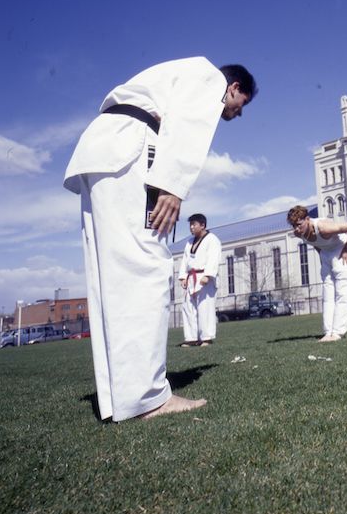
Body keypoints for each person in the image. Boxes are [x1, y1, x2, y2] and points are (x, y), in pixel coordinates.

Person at [64, 58, 257, 421]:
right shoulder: (208, 76)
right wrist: (171, 185)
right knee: (146, 265)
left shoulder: (173, 76)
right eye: (240, 104)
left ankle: (121, 397)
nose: (236, 112)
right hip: (129, 148)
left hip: (103, 148)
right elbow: (189, 119)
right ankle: (147, 399)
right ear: (233, 88)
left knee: (115, 273)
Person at [287, 205, 347, 341]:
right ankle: (328, 331)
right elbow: (314, 243)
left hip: (341, 249)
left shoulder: (324, 227)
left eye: (299, 224)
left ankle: (337, 332)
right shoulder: (298, 233)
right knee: (328, 293)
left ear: (307, 219)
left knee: (343, 291)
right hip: (326, 254)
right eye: (294, 226)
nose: (296, 229)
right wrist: (323, 256)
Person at [178, 213, 222, 346]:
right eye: (190, 225)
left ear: (203, 225)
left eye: (194, 224)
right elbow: (185, 259)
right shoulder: (189, 242)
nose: (191, 227)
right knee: (188, 308)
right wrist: (183, 276)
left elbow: (214, 258)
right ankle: (191, 338)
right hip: (191, 277)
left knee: (205, 307)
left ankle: (206, 337)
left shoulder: (212, 239)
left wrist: (208, 275)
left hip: (204, 277)